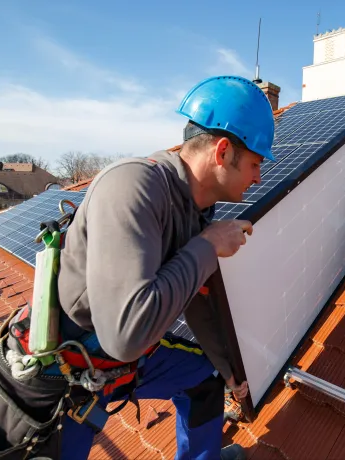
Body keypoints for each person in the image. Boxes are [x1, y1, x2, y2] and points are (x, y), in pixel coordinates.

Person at [51, 75, 276, 459]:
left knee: (205, 378)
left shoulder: (198, 208)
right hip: (70, 367)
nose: (258, 176)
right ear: (222, 152)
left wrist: (230, 371)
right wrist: (207, 247)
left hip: (125, 359)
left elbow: (195, 296)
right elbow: (124, 335)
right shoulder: (134, 186)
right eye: (255, 163)